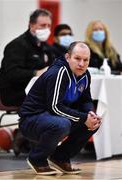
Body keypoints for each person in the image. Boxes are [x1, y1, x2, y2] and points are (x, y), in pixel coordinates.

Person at [18, 41, 101, 175]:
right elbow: (54, 107)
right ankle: (37, 159)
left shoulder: (85, 75)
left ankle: (60, 158)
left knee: (94, 123)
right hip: (31, 120)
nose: (81, 64)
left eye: (86, 60)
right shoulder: (59, 72)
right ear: (68, 57)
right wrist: (84, 118)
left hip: (53, 116)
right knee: (62, 124)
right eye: (77, 58)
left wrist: (90, 113)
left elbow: (85, 99)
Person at [0, 9, 54, 107]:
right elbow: (12, 73)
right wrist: (36, 73)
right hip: (15, 92)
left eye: (49, 26)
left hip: (37, 89)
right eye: (43, 25)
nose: (46, 29)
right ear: (32, 25)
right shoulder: (17, 45)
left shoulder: (46, 47)